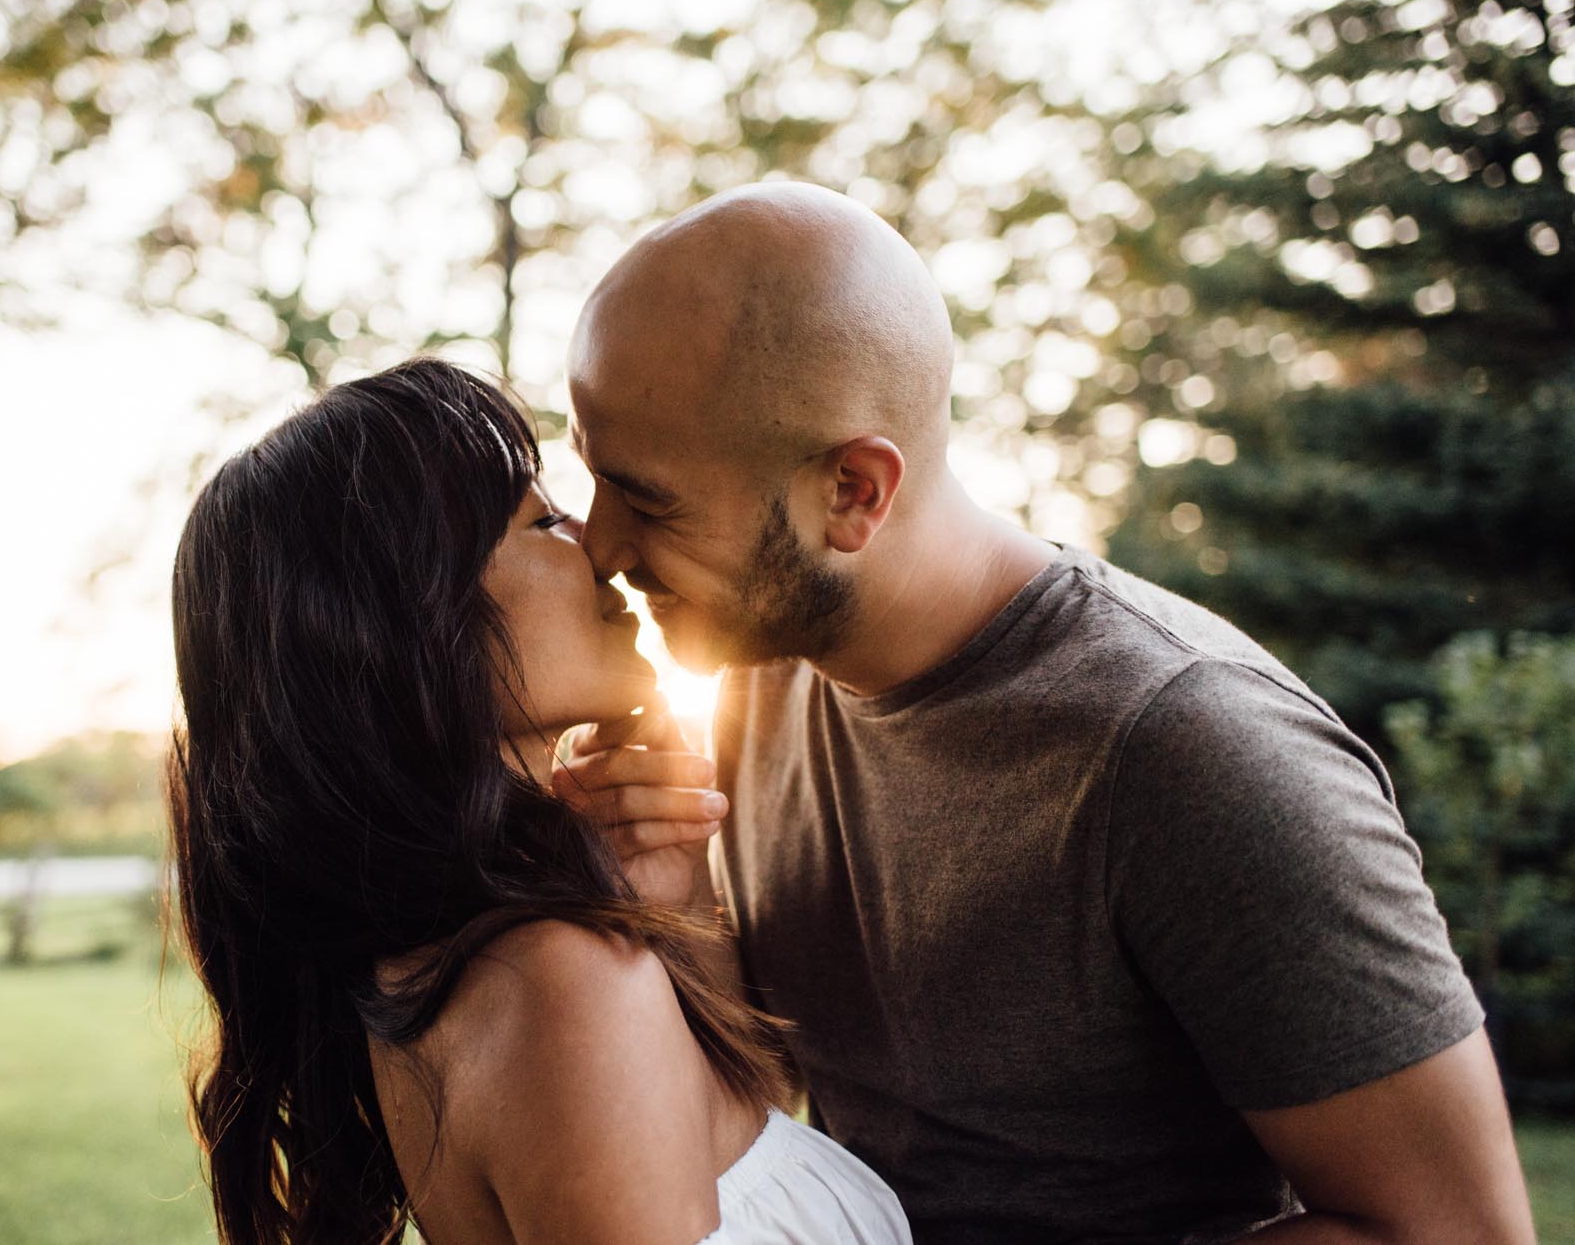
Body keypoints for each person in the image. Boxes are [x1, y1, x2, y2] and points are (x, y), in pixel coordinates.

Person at [557, 179, 1539, 1244]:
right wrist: (675, 895)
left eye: (648, 500)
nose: (599, 544)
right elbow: (761, 1106)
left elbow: (1457, 1231)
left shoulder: (1192, 750)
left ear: (852, 491)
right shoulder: (765, 674)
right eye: (592, 480)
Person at [163, 358, 914, 1245]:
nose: (599, 545)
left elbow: (741, 1154)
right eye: (541, 518)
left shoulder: (446, 963)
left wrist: (672, 904)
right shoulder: (558, 980)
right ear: (415, 621)